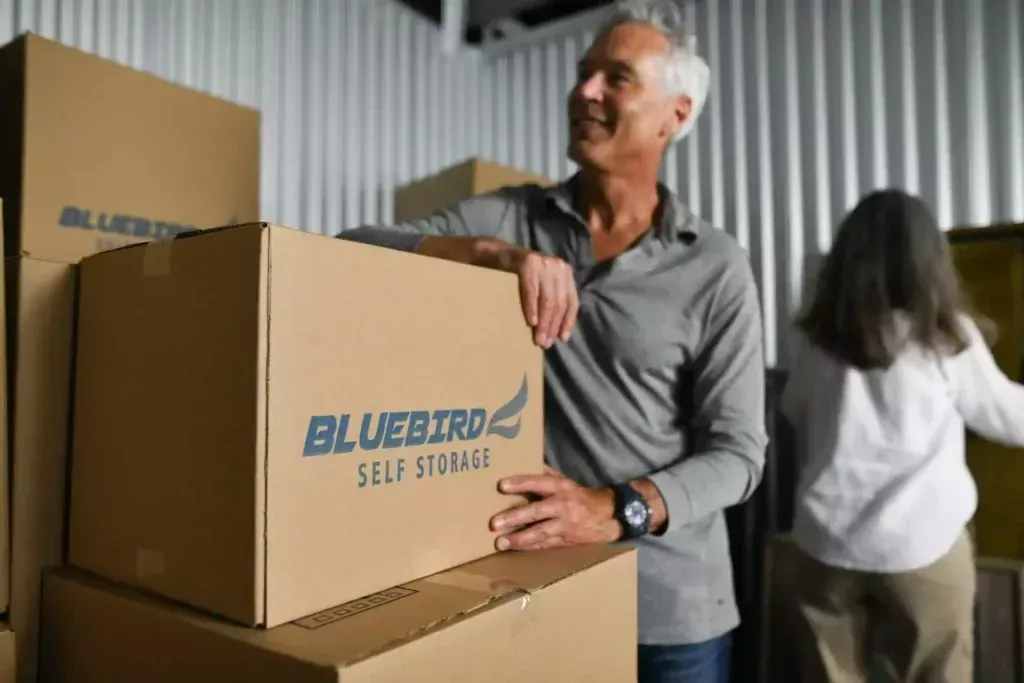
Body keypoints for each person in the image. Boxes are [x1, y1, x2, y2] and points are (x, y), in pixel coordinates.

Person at [339, 3, 767, 681]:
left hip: (671, 614)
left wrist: (612, 506)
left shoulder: (714, 266)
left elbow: (739, 455)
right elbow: (351, 248)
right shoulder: (511, 217)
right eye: (583, 73)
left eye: (615, 78)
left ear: (675, 116)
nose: (584, 92)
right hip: (543, 589)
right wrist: (485, 254)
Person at [781, 189, 1024, 683]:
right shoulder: (944, 336)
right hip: (922, 549)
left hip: (825, 546)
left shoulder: (815, 337)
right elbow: (1010, 421)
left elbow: (791, 410)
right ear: (929, 259)